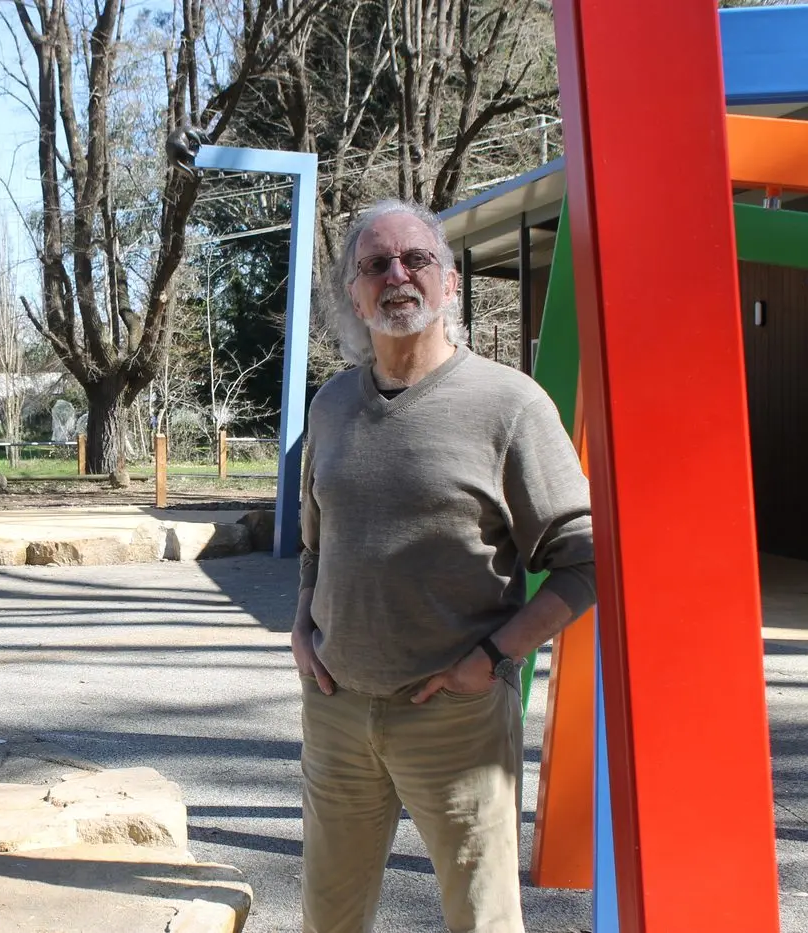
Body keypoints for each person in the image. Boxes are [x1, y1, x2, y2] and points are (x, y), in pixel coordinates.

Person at [293, 198, 596, 933]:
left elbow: (584, 560)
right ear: (354, 294)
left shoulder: (508, 405)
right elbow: (315, 544)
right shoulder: (330, 406)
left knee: (482, 918)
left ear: (450, 282)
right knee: (328, 919)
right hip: (335, 710)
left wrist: (490, 659)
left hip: (455, 718)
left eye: (416, 259)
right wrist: (302, 628)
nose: (396, 276)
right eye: (375, 265)